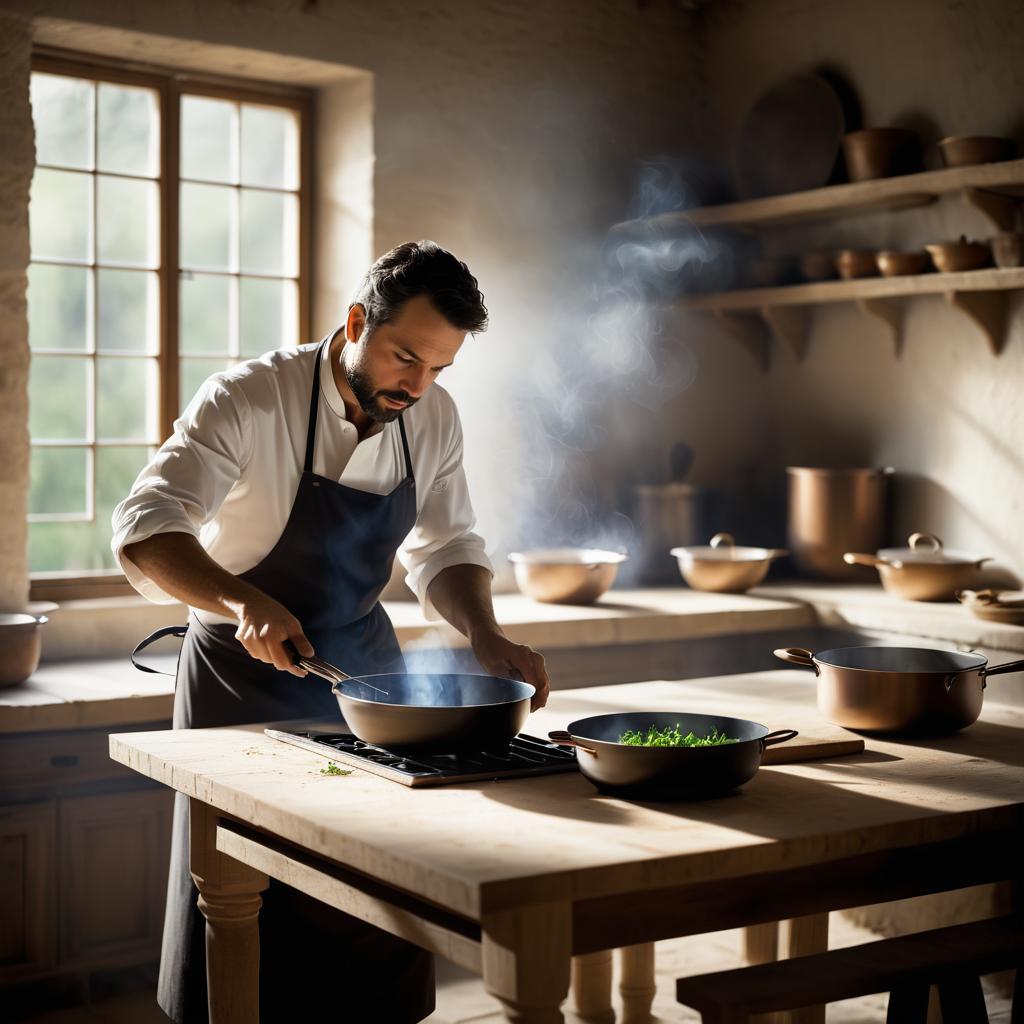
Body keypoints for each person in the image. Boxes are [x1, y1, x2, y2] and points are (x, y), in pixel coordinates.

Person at [112, 240, 550, 1023]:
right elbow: (147, 529)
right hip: (239, 688)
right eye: (403, 357)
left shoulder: (433, 417)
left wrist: (485, 632)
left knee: (374, 909)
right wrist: (241, 601)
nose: (417, 386)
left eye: (439, 370)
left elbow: (445, 548)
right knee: (249, 913)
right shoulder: (249, 398)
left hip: (363, 684)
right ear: (355, 323)